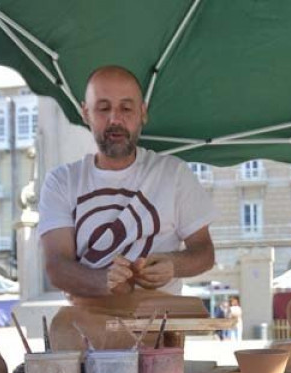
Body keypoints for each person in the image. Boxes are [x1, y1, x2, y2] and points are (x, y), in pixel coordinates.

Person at [39, 65, 217, 299]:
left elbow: (205, 253)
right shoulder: (61, 181)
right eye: (103, 108)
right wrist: (103, 281)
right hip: (87, 325)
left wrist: (173, 265)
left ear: (142, 112)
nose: (115, 119)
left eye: (126, 108)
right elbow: (56, 266)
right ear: (86, 113)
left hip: (161, 325)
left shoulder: (174, 174)